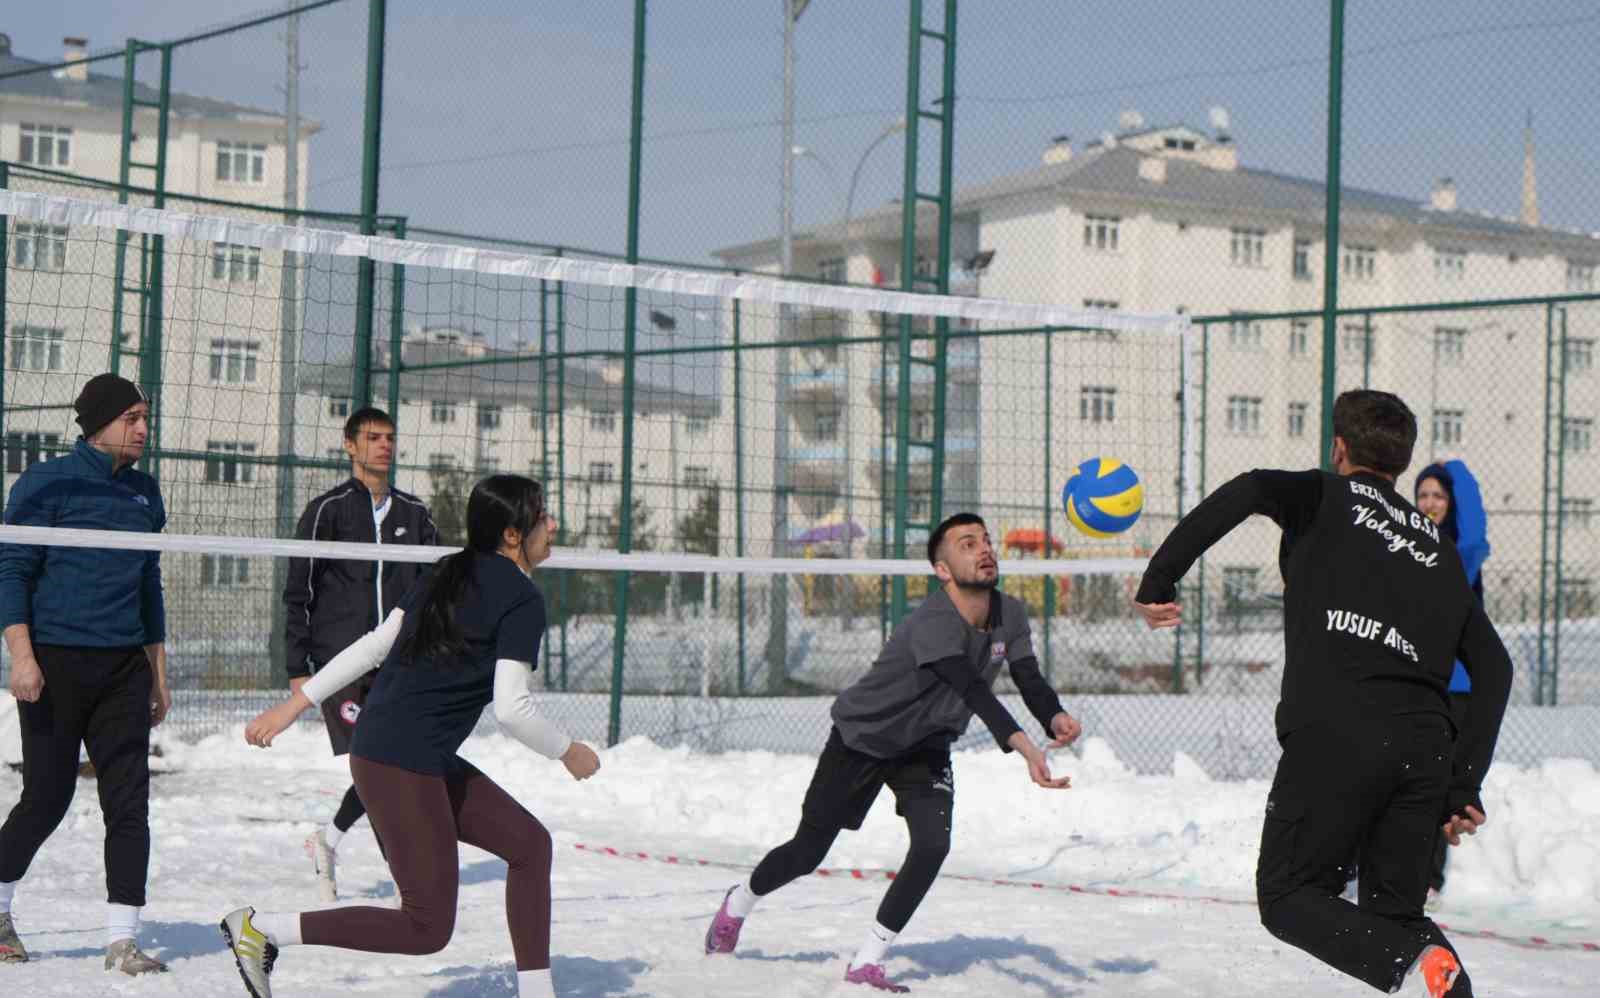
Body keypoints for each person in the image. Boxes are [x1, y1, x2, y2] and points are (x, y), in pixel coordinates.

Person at [1132, 390, 1513, 998]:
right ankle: (1439, 978)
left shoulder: (1323, 494)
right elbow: (1494, 668)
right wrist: (1464, 782)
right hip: (1424, 748)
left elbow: (1252, 487)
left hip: (1342, 729)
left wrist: (1159, 579)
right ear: (1402, 463)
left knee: (1287, 894)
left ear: (1339, 448)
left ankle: (1418, 968)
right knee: (1397, 922)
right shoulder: (1438, 550)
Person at [224, 474, 599, 998]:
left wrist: (295, 705)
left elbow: (374, 645)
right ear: (514, 535)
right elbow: (513, 710)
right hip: (399, 761)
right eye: (543, 516)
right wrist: (569, 752)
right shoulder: (519, 597)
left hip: (399, 752)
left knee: (529, 845)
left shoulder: (450, 569)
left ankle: (538, 992)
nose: (553, 524)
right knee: (426, 927)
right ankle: (262, 931)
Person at [703, 512, 1082, 993]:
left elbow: (1028, 677)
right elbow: (972, 689)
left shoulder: (1011, 614)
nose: (984, 550)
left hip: (926, 746)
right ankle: (738, 903)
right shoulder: (933, 622)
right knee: (806, 853)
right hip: (864, 739)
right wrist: (1024, 745)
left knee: (932, 845)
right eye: (967, 544)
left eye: (986, 541)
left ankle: (867, 962)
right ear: (943, 569)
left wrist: (1053, 717)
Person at [0, 374, 171, 975]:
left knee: (129, 802)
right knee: (47, 796)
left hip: (122, 666)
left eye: (145, 417)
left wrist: (157, 671)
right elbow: (12, 570)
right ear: (98, 424)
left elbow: (149, 582)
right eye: (131, 418)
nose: (143, 429)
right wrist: (21, 656)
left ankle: (122, 940)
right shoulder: (47, 482)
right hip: (54, 660)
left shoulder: (145, 493)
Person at [282, 406, 438, 900]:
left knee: (389, 763)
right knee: (375, 764)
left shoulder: (415, 515)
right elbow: (298, 592)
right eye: (373, 438)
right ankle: (405, 872)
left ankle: (328, 841)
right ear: (349, 445)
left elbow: (435, 593)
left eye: (390, 438)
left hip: (400, 663)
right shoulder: (328, 511)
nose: (384, 446)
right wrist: (296, 669)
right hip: (339, 661)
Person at [1414, 460, 1489, 905]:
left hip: (1455, 687)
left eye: (1438, 496)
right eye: (1422, 495)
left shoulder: (1463, 552)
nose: (1429, 504)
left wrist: (1456, 469)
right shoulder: (1405, 548)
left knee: (1439, 780)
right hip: (1414, 680)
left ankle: (1430, 879)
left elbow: (1477, 530)